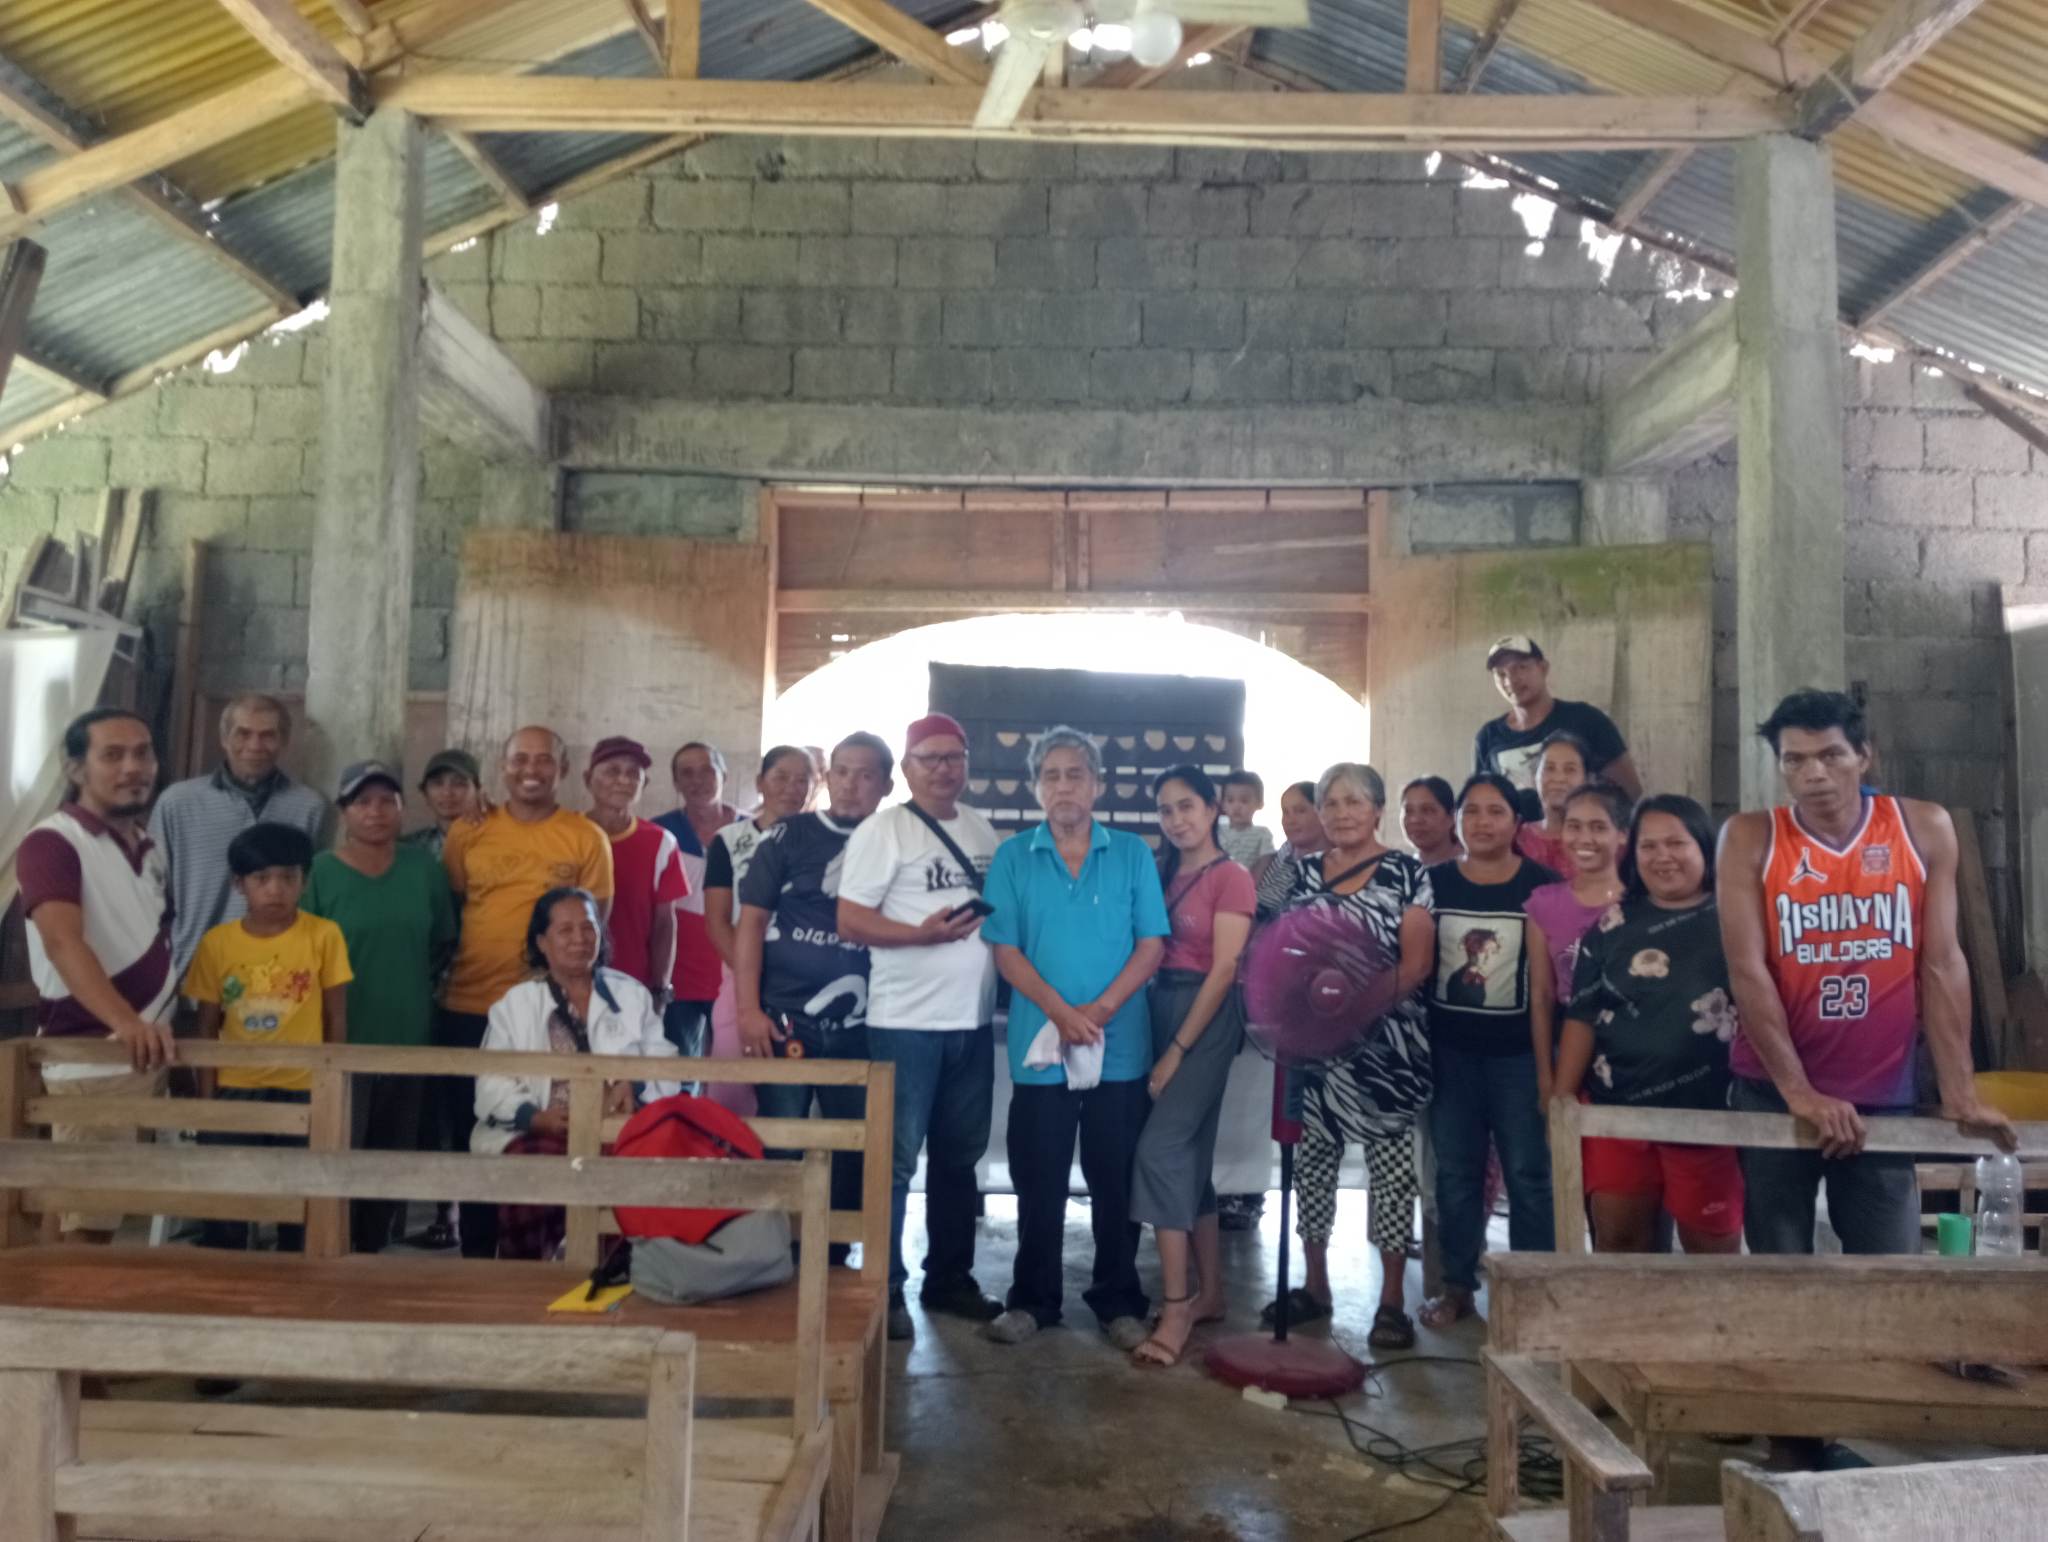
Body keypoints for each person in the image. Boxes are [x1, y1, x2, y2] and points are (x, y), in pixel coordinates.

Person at [1719, 689, 2016, 1256]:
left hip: (1880, 1092)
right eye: (1795, 760)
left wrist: (1960, 1089)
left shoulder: (1922, 828)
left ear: (1864, 756)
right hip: (1774, 1091)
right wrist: (1800, 1092)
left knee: (1891, 1266)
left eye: (1831, 755)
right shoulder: (1751, 838)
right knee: (1779, 1268)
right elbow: (1747, 970)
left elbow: (1943, 960)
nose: (1814, 774)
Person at [982, 725, 1168, 1350]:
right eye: (1052, 775)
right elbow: (1004, 949)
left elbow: (1151, 944)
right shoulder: (1014, 857)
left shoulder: (1132, 853)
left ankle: (1118, 1300)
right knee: (1039, 1176)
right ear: (1037, 787)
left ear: (1098, 785)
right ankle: (1033, 1300)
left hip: (1119, 1046)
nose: (1064, 786)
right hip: (1043, 1047)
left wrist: (1100, 1009)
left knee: (1116, 1178)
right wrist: (1061, 1014)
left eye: (1076, 775)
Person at [838, 712, 1002, 1341]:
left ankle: (949, 1279)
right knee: (897, 1162)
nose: (943, 768)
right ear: (906, 769)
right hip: (906, 1022)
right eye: (929, 758)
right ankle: (885, 1289)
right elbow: (851, 920)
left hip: (971, 1022)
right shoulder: (885, 831)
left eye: (953, 757)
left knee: (960, 1162)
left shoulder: (982, 828)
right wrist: (919, 936)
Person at [1266, 764, 1435, 1350]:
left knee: (1390, 1173)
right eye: (1329, 803)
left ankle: (1391, 1301)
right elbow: (1279, 949)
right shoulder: (1302, 872)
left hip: (1388, 1048)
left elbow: (1415, 963)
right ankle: (1315, 1287)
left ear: (1378, 809)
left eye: (1353, 802)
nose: (1340, 813)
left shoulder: (1407, 872)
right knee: (1312, 1165)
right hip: (1315, 1049)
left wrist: (1353, 1009)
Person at [439, 725, 614, 1257]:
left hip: (548, 1015)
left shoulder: (585, 837)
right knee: (476, 1137)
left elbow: (593, 924)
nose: (530, 770)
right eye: (519, 760)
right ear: (502, 766)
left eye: (543, 760)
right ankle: (477, 1254)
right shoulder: (469, 830)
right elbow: (456, 905)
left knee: (541, 1132)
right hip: (468, 1003)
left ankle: (547, 1251)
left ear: (563, 771)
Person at [1553, 795, 1745, 1253]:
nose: (1662, 857)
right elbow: (1581, 1017)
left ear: (1705, 848)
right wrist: (1561, 1099)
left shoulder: (1737, 921)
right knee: (1618, 1241)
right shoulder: (1610, 926)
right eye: (1648, 846)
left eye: (1676, 843)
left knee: (1712, 1251)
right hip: (1616, 1113)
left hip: (1710, 1116)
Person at [17, 709, 179, 1242]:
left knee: (117, 1220)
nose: (134, 767)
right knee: (87, 1229)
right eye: (112, 755)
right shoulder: (54, 842)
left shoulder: (148, 846)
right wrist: (126, 1023)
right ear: (76, 770)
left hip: (151, 1053)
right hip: (94, 1056)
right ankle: (59, 1323)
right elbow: (63, 942)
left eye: (144, 752)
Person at [735, 732, 895, 1260]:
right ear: (828, 779)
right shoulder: (789, 836)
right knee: (781, 1139)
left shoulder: (897, 837)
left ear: (886, 784)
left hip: (864, 1025)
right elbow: (750, 923)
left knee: (853, 1144)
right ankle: (772, 1252)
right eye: (842, 772)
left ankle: (834, 1255)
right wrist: (748, 1009)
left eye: (866, 774)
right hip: (784, 1021)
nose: (851, 784)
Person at [1420, 772, 1558, 1331]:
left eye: (1495, 811)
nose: (1481, 822)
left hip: (1518, 1060)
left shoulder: (1542, 888)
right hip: (1449, 1056)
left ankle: (1531, 1292)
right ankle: (1457, 1287)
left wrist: (1548, 1072)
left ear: (1516, 823)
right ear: (1457, 821)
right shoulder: (1431, 884)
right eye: (1471, 811)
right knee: (1456, 1174)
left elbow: (1547, 989)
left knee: (1529, 1175)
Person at [473, 888, 680, 1260]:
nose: (580, 939)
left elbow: (665, 1062)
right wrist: (535, 1117)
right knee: (535, 1166)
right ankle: (533, 1275)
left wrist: (637, 1084)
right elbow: (491, 1081)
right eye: (565, 930)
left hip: (619, 1130)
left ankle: (616, 1272)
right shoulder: (515, 1005)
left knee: (645, 1166)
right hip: (542, 1130)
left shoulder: (631, 995)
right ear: (542, 942)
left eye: (588, 928)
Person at [303, 760, 458, 1253]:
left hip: (409, 1034)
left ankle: (370, 1254)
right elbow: (304, 954)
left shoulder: (424, 870)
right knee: (340, 1149)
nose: (375, 812)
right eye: (362, 802)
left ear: (402, 808)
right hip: (340, 1038)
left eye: (386, 801)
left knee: (392, 1153)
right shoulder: (321, 872)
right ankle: (329, 1252)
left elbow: (441, 943)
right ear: (344, 812)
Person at [1129, 766, 1254, 1367]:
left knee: (1160, 1151)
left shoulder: (1230, 878)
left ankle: (1177, 1307)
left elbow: (1226, 968)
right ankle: (1213, 1295)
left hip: (1204, 1014)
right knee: (1192, 1156)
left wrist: (1177, 1049)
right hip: (1156, 1004)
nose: (1177, 819)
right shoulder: (1157, 872)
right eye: (1166, 810)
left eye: (1187, 806)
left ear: (1212, 810)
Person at [184, 822, 352, 1253]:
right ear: (239, 884)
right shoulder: (217, 944)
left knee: (299, 1206)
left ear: (304, 881)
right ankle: (228, 1294)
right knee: (228, 1210)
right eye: (262, 879)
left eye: (288, 878)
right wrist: (207, 1103)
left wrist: (329, 1089)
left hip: (303, 1090)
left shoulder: (323, 935)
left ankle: (294, 1298)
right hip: (236, 1091)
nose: (275, 889)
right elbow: (206, 1027)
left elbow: (336, 1018)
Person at [151, 693, 327, 980]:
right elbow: (153, 891)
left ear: (284, 742)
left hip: (278, 977)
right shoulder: (177, 803)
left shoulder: (309, 807)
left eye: (268, 735)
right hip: (193, 973)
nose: (255, 746)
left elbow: (312, 893)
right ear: (224, 739)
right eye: (243, 734)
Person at [703, 746, 817, 1112]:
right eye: (781, 777)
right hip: (740, 975)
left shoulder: (824, 839)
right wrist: (751, 977)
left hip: (805, 984)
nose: (791, 787)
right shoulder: (730, 840)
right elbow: (718, 920)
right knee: (731, 1086)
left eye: (803, 780)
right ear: (759, 783)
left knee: (790, 1092)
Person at [1527, 780, 1630, 1103]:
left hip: (1629, 1049)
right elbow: (1542, 996)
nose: (1584, 838)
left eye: (1598, 827)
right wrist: (1546, 1075)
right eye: (1574, 826)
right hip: (1564, 1045)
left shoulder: (1639, 904)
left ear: (1622, 834)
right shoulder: (1543, 904)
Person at [1474, 637, 1641, 805]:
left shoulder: (1586, 720)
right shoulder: (1488, 736)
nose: (1510, 681)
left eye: (1521, 667)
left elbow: (1629, 790)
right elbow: (1482, 801)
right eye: (1501, 674)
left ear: (1544, 668)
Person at [584, 737, 688, 999]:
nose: (623, 780)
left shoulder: (661, 842)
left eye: (633, 773)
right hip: (568, 985)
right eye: (612, 771)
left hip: (632, 987)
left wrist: (661, 988)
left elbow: (665, 924)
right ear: (588, 779)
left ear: (644, 784)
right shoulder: (566, 835)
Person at [652, 742, 732, 1059]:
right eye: (687, 773)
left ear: (724, 774)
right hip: (678, 979)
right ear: (675, 783)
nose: (697, 780)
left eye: (707, 771)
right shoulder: (659, 832)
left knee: (732, 1077)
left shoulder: (749, 830)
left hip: (733, 976)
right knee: (680, 1076)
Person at [1516, 734, 1592, 874]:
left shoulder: (1602, 841)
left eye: (1570, 769)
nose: (1558, 778)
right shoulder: (1516, 840)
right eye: (1549, 768)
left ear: (1586, 780)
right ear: (1535, 777)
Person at [1253, 779, 1325, 919]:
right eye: (1285, 812)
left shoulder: (1336, 862)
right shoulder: (1281, 854)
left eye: (1300, 811)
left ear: (1322, 813)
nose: (1290, 820)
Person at [404, 748, 483, 861]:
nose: (447, 793)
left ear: (478, 791)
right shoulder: (411, 848)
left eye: (459, 784)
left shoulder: (493, 842)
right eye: (437, 783)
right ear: (425, 794)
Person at [1401, 776, 1463, 869]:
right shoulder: (1403, 871)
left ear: (1451, 817)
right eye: (1408, 811)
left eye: (1427, 810)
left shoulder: (1472, 870)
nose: (1415, 820)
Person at [1218, 770, 1275, 867]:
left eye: (1244, 801)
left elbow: (1264, 863)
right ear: (1223, 804)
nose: (1236, 806)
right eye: (1230, 800)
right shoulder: (1216, 831)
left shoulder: (1262, 834)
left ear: (1259, 803)